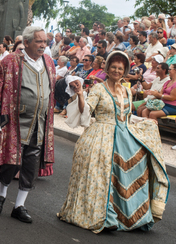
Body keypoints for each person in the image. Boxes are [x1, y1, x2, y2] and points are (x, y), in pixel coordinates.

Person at [58, 51, 169, 232]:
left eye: (120, 68)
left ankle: (130, 216)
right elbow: (87, 111)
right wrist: (80, 95)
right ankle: (106, 216)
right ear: (107, 69)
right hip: (101, 134)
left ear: (124, 71)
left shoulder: (126, 90)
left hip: (123, 136)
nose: (117, 71)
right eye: (114, 67)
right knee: (103, 175)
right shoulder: (98, 89)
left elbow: (126, 116)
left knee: (136, 168)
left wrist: (145, 121)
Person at [0, 26, 55, 223]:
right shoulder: (11, 60)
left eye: (45, 41)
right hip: (15, 121)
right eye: (39, 41)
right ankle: (1, 195)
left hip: (39, 123)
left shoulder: (49, 62)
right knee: (11, 162)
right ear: (26, 43)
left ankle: (19, 206)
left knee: (31, 166)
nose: (43, 45)